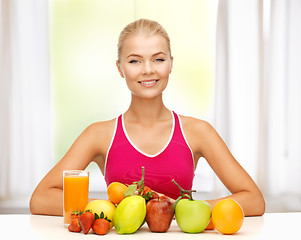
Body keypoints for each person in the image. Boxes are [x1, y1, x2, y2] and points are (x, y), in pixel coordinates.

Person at [30, 19, 265, 216]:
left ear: (171, 64)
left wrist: (179, 209)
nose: (147, 69)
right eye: (134, 61)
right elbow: (41, 199)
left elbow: (254, 200)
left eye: (158, 59)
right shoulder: (98, 134)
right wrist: (113, 208)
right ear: (120, 68)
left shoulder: (198, 132)